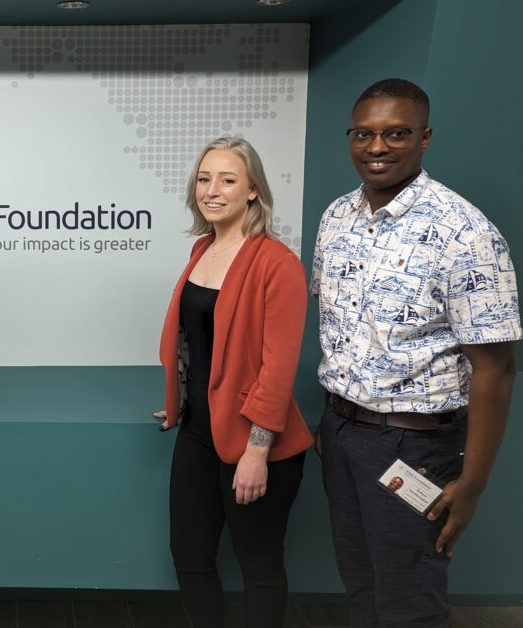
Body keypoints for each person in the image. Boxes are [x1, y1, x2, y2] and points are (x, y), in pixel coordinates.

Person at [313, 78, 520, 627]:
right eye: (365, 134)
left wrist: (471, 485)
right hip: (339, 432)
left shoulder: (465, 232)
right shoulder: (336, 218)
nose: (377, 147)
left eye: (396, 134)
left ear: (424, 137)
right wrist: (331, 426)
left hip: (414, 446)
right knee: (360, 584)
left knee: (409, 602)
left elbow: (497, 371)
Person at [155, 137, 312, 628]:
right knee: (190, 556)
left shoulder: (276, 262)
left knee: (259, 566)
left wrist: (257, 451)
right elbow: (197, 343)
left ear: (252, 191)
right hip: (199, 431)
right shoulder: (203, 248)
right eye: (204, 179)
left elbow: (278, 367)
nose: (212, 190)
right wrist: (179, 401)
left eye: (227, 180)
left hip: (256, 440)